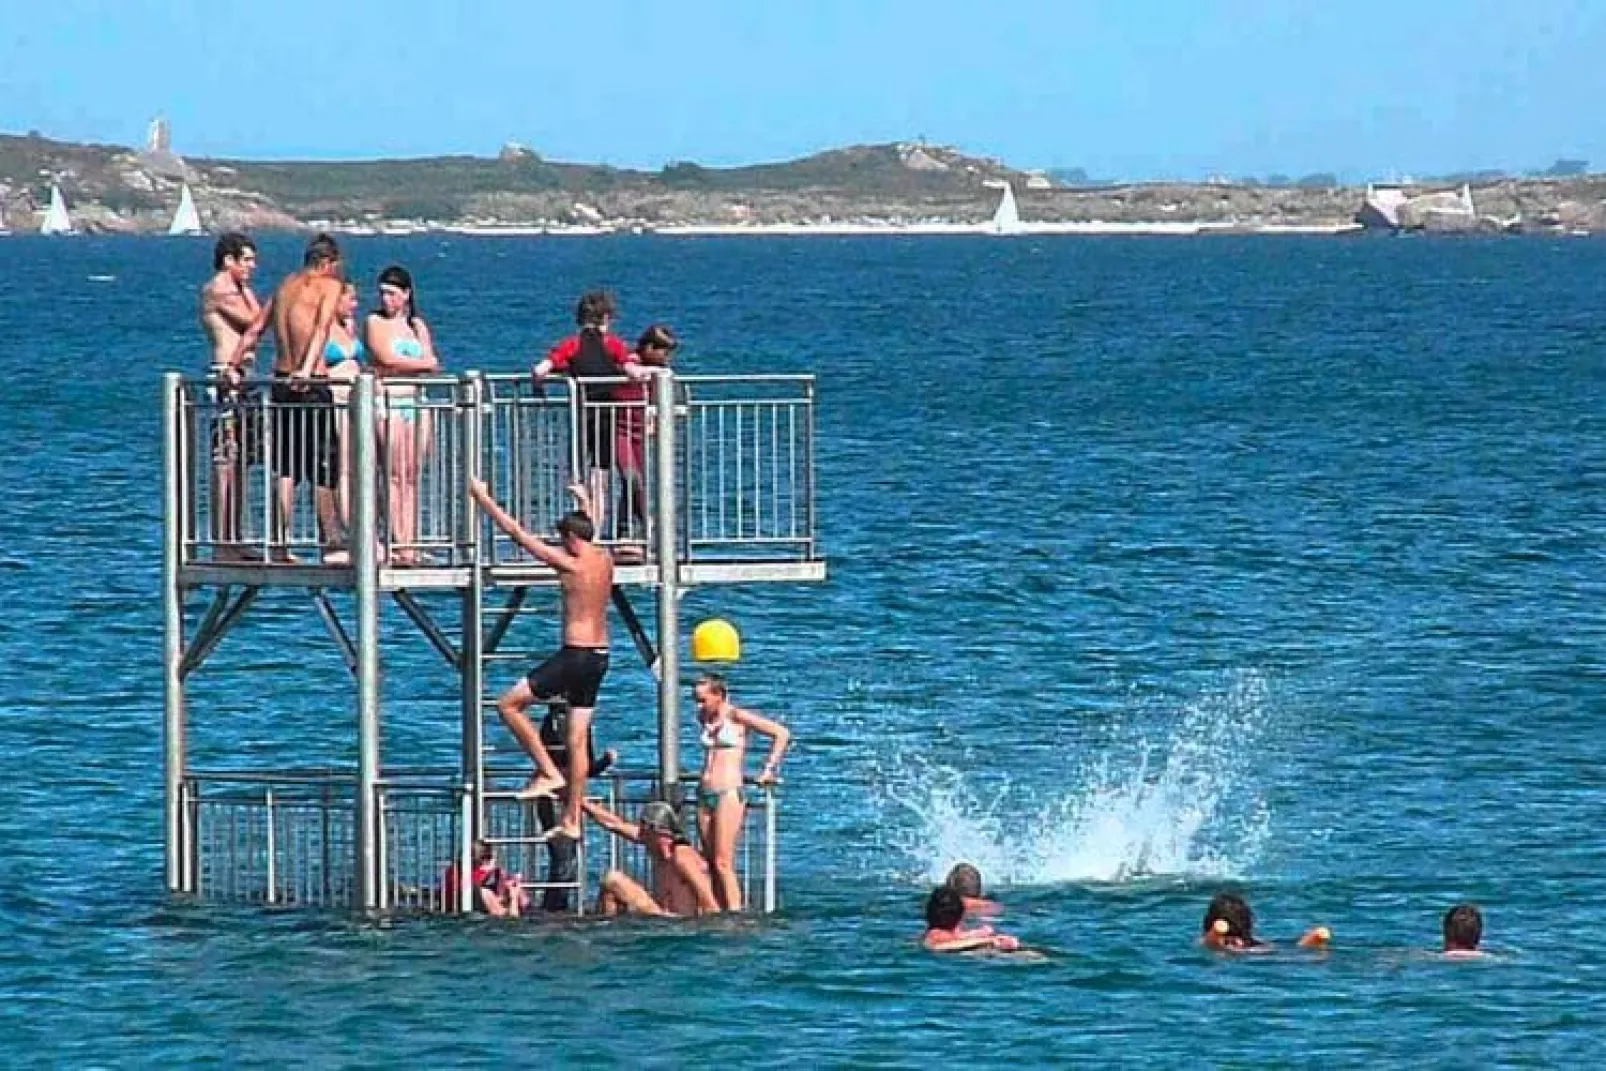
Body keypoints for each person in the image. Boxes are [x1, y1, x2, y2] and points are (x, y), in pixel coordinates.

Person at [467, 479, 612, 840]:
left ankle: (547, 770)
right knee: (578, 741)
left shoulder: (570, 565)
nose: (561, 545)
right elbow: (590, 530)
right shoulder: (604, 558)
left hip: (575, 655)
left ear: (572, 541)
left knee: (508, 705)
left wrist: (483, 497)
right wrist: (585, 501)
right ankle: (573, 820)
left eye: (565, 539)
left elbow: (517, 533)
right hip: (600, 658)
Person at [239, 233, 348, 564]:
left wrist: (233, 364)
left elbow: (255, 329)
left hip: (281, 380)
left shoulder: (284, 287)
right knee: (323, 465)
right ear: (329, 263)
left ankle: (279, 543)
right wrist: (305, 369)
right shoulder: (328, 286)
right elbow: (320, 329)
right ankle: (332, 543)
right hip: (308, 381)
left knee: (287, 467)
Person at [530, 291, 654, 538]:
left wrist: (539, 387)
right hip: (609, 416)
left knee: (580, 473)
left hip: (582, 416)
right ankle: (594, 532)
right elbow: (631, 369)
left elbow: (540, 368)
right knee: (600, 477)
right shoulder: (614, 344)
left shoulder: (571, 345)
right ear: (606, 318)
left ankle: (583, 529)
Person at [692, 673, 790, 911]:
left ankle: (735, 911)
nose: (698, 705)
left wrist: (768, 769)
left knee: (723, 861)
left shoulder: (737, 716)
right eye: (696, 699)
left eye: (703, 699)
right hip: (705, 793)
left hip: (728, 792)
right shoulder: (703, 717)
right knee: (709, 862)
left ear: (719, 696)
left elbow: (781, 734)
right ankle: (715, 908)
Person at [365, 265, 441, 565]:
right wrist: (417, 364)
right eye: (383, 293)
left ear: (406, 295)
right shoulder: (375, 322)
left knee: (411, 475)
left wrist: (410, 365)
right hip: (390, 401)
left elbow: (432, 361)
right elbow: (384, 356)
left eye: (392, 294)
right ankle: (396, 540)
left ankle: (411, 540)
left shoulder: (417, 326)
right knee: (393, 474)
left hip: (414, 403)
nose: (387, 300)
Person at [198, 232, 264, 560]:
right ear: (229, 261)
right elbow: (255, 322)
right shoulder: (218, 290)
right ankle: (222, 541)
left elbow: (256, 320)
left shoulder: (241, 290)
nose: (252, 267)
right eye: (247, 260)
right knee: (225, 459)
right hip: (226, 378)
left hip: (245, 379)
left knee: (242, 461)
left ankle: (236, 536)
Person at [534, 700, 616, 912]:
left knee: (559, 858)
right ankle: (555, 908)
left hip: (548, 796)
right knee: (564, 860)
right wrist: (607, 760)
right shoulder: (577, 725)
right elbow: (585, 767)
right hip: (565, 797)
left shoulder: (547, 724)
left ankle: (553, 906)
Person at [582, 799, 720, 917]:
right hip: (660, 917)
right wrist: (578, 801)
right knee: (611, 887)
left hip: (679, 921)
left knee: (613, 880)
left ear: (658, 832)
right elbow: (613, 824)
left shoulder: (682, 856)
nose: (641, 838)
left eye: (645, 833)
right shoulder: (656, 846)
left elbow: (708, 900)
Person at [611, 324, 679, 548]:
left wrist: (655, 417)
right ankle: (646, 524)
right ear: (649, 347)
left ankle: (625, 532)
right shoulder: (630, 361)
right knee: (631, 477)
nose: (666, 357)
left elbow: (657, 398)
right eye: (663, 352)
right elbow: (630, 370)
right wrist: (657, 372)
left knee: (635, 482)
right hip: (618, 428)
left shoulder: (659, 370)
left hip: (639, 431)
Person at [324, 280, 364, 527]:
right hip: (336, 396)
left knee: (358, 463)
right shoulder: (323, 327)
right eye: (350, 299)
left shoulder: (349, 327)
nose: (354, 305)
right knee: (342, 466)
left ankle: (360, 523)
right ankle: (346, 526)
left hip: (356, 398)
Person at [1200, 893, 1331, 953]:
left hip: (1245, 953)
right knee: (1294, 951)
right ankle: (1314, 938)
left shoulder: (1210, 940)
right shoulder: (1253, 941)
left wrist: (1218, 931)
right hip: (1262, 949)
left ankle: (1314, 939)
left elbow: (1214, 936)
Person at [921, 885, 1020, 953]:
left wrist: (980, 934)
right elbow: (938, 947)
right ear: (961, 915)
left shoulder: (938, 934)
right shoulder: (935, 935)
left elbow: (954, 940)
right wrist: (989, 940)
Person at [443, 840, 528, 917]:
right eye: (491, 858)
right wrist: (514, 897)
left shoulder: (454, 872)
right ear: (483, 860)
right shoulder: (456, 873)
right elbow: (511, 919)